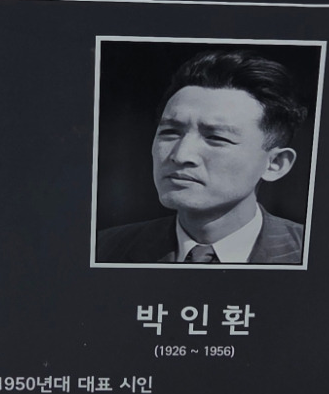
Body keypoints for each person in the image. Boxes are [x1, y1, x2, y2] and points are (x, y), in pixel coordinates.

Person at [97, 48, 308, 264]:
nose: (181, 155)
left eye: (216, 137)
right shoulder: (103, 249)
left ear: (275, 164)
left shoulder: (315, 257)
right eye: (170, 132)